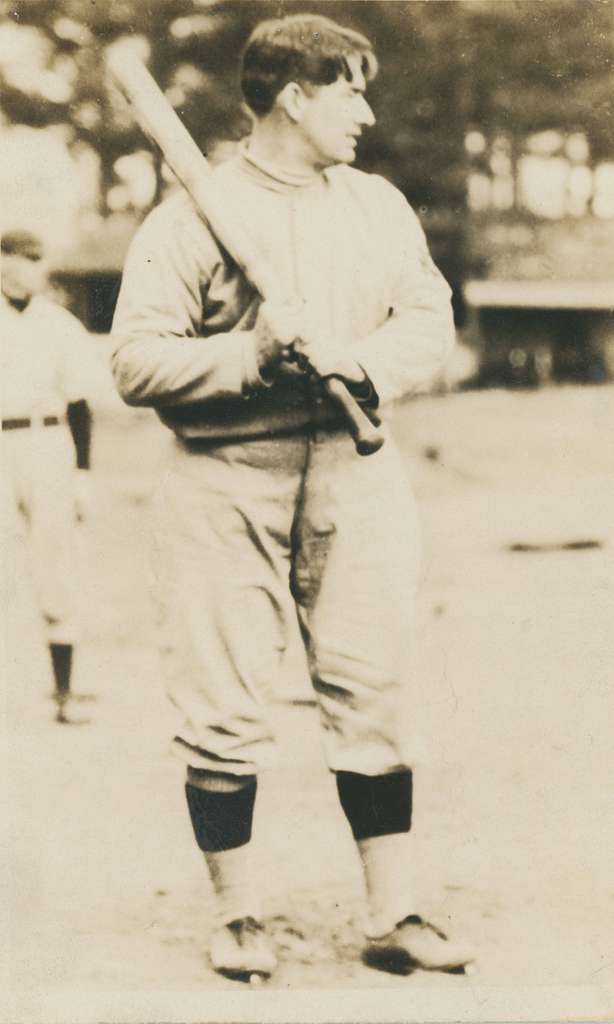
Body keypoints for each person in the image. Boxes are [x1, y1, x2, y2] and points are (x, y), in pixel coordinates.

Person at [111, 14, 472, 981]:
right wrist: (249, 353)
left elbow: (428, 317)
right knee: (224, 699)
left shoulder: (376, 206)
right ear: (295, 97)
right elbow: (135, 363)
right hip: (225, 475)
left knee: (374, 686)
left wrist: (360, 358)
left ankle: (393, 912)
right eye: (350, 89)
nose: (366, 109)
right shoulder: (192, 211)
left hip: (356, 468)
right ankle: (237, 916)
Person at [1, 228, 94, 725]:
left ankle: (64, 693)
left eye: (37, 259)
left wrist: (82, 472)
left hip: (47, 442)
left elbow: (80, 404)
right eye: (19, 258)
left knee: (58, 562)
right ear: (3, 261)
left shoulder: (58, 325)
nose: (29, 268)